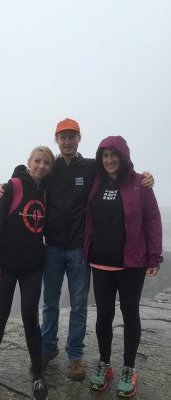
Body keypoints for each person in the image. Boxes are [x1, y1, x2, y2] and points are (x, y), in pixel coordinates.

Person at [0, 118, 154, 381]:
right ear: (56, 140)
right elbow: (26, 176)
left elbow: (120, 175)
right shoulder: (50, 167)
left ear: (79, 138)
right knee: (50, 304)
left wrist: (144, 177)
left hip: (81, 248)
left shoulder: (91, 167)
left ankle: (76, 356)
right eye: (63, 137)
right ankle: (48, 349)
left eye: (72, 137)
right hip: (53, 247)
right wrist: (2, 186)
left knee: (79, 305)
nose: (67, 141)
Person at [83, 136, 163, 397]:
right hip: (100, 263)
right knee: (104, 316)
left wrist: (154, 257)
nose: (109, 160)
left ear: (124, 157)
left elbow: (152, 220)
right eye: (104, 155)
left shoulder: (140, 183)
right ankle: (104, 364)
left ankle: (129, 368)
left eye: (113, 155)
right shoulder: (96, 180)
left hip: (131, 265)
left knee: (130, 315)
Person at [0, 146, 55, 400]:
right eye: (37, 161)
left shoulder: (47, 191)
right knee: (0, 315)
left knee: (30, 319)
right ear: (29, 162)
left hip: (32, 267)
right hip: (6, 267)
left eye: (46, 162)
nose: (41, 166)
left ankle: (36, 373)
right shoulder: (12, 187)